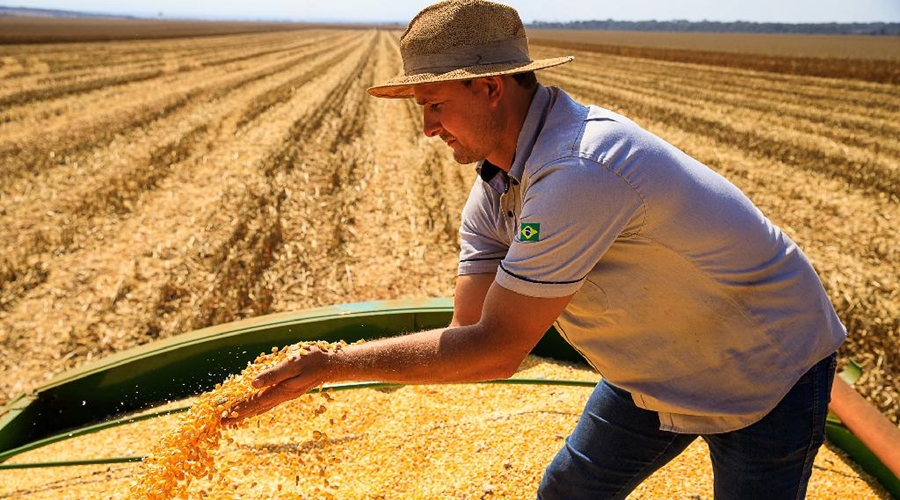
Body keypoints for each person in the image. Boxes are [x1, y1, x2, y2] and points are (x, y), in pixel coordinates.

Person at [228, 1, 847, 498]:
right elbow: (469, 332)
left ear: (492, 88)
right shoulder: (499, 189)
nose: (428, 129)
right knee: (571, 489)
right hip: (653, 371)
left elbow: (496, 350)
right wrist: (332, 369)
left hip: (765, 367)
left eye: (435, 105)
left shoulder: (580, 169)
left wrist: (331, 366)